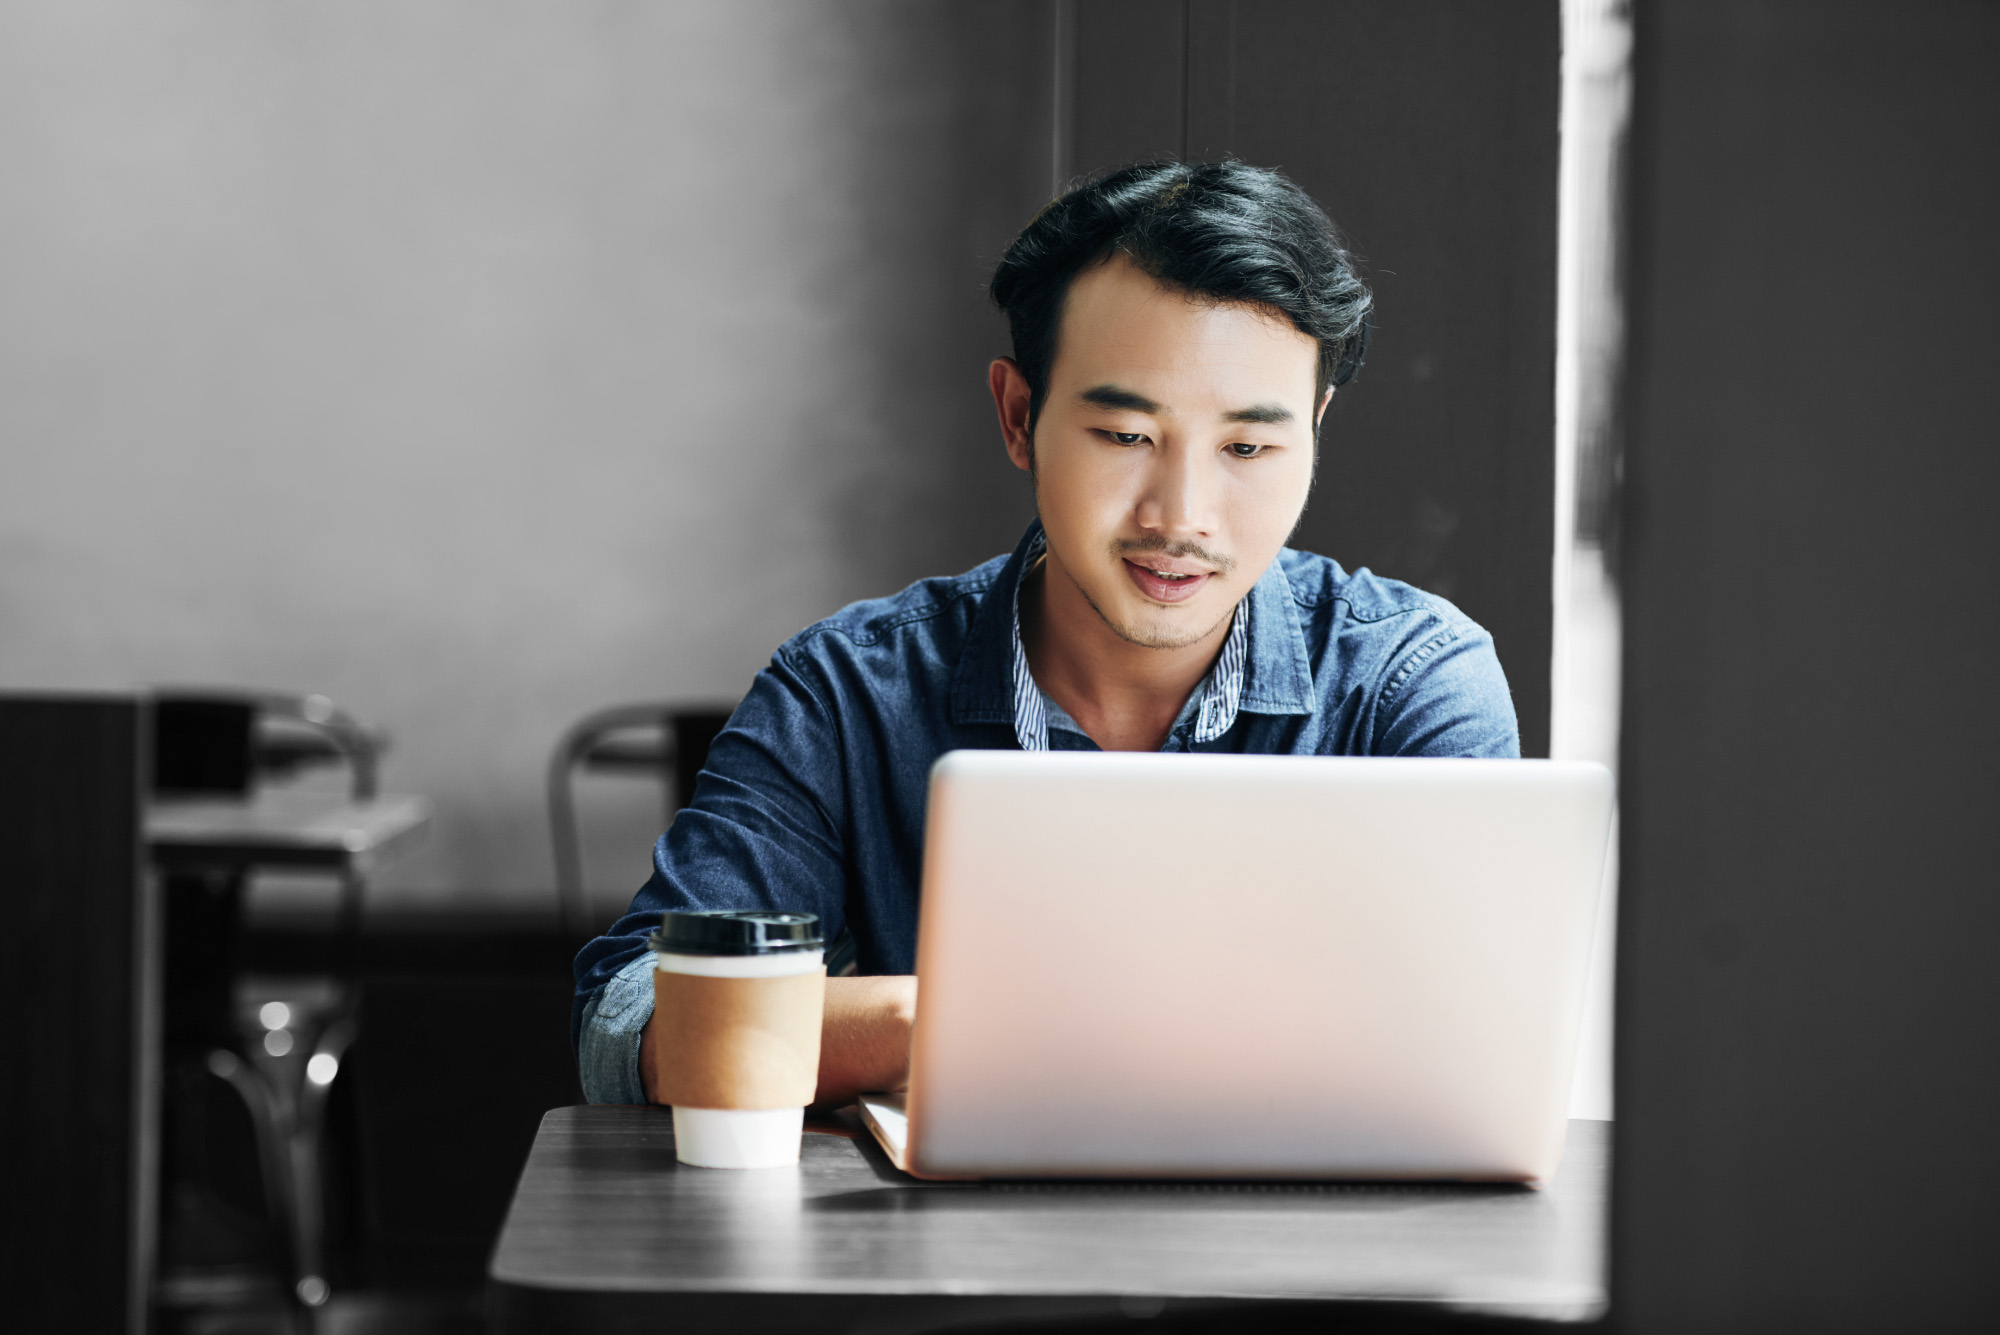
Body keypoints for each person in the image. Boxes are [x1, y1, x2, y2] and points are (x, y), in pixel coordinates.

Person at [573, 160, 1520, 1107]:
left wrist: (910, 1029)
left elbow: (1474, 1048)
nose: (1183, 516)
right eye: (1125, 436)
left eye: (1248, 448)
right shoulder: (848, 692)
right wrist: (928, 1022)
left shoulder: (1408, 682)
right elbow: (633, 1026)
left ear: (1314, 429)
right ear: (1020, 417)